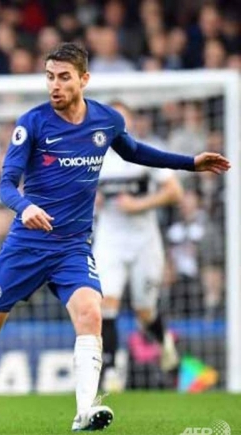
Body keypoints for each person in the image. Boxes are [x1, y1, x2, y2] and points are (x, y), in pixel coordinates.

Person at [0, 42, 230, 432]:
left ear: (84, 79)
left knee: (91, 312)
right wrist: (25, 207)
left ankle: (85, 410)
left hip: (72, 247)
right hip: (27, 245)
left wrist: (190, 163)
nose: (55, 85)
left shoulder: (106, 120)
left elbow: (135, 152)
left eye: (63, 77)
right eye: (49, 77)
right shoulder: (32, 123)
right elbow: (7, 183)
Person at [94, 101, 184, 392]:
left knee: (144, 312)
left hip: (145, 241)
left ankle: (165, 343)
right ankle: (110, 371)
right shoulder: (93, 157)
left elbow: (175, 191)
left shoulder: (145, 152)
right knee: (106, 302)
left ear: (129, 122)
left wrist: (139, 204)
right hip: (110, 239)